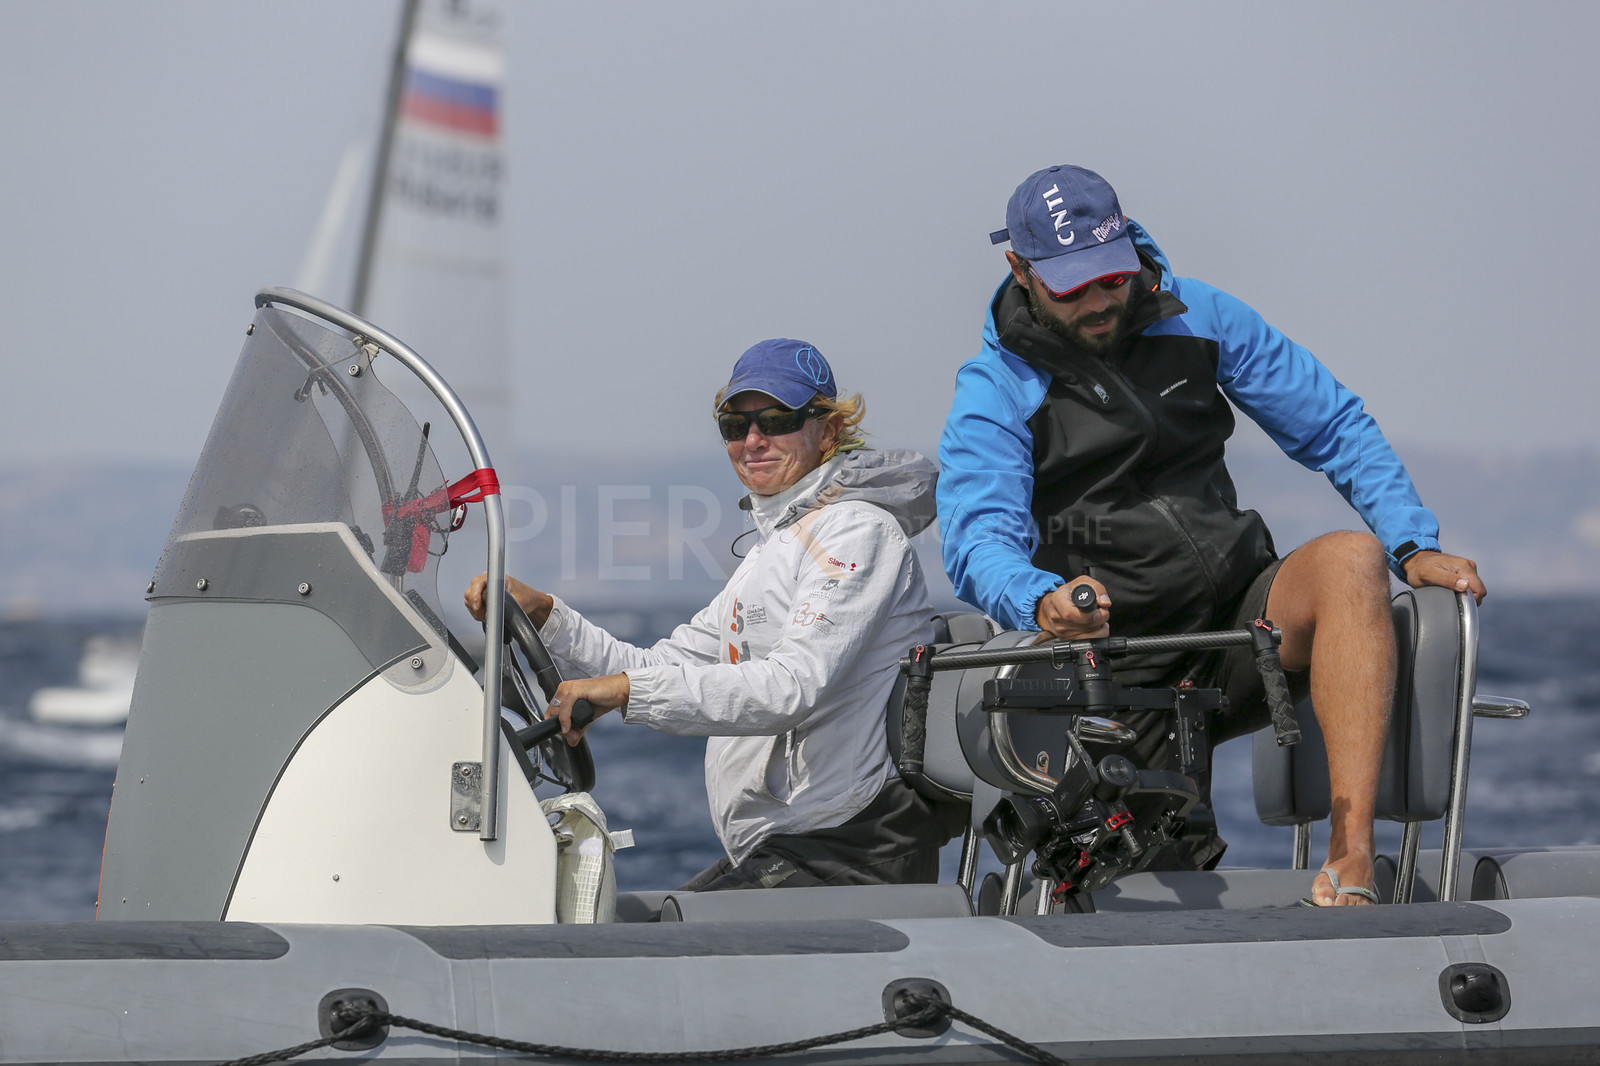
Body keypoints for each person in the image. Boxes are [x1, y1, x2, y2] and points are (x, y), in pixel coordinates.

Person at [937, 164, 1486, 905]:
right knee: (1151, 893)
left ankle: (1351, 856)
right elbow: (977, 539)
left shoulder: (1201, 314)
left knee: (1354, 559)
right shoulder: (994, 387)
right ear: (1021, 270)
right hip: (1114, 660)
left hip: (1241, 634)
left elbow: (1333, 424)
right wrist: (1042, 600)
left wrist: (1412, 543)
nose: (1101, 301)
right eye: (1073, 287)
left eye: (1112, 276)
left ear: (1129, 247)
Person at [466, 338, 957, 891]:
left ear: (829, 430)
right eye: (735, 424)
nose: (753, 440)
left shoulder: (858, 532)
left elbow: (790, 688)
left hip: (851, 844)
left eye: (777, 419)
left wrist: (625, 692)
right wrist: (549, 616)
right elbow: (656, 663)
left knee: (655, 948)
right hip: (794, 842)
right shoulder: (775, 549)